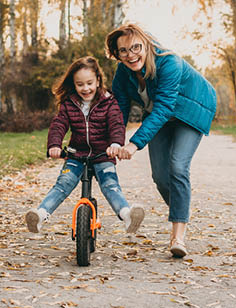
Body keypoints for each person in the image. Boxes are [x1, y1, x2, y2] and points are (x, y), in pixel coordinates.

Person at [105, 23, 217, 258]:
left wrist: (134, 143)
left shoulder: (169, 62)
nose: (130, 55)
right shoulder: (123, 72)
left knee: (178, 167)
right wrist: (115, 141)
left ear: (146, 44)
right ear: (117, 54)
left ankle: (178, 235)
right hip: (159, 115)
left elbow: (165, 107)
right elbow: (119, 108)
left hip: (190, 111)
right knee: (160, 177)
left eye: (136, 47)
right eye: (123, 51)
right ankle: (181, 210)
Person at [25, 56, 144, 234]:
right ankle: (40, 216)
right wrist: (54, 145)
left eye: (89, 83)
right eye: (80, 84)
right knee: (63, 184)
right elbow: (59, 124)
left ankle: (127, 216)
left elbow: (117, 124)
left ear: (98, 80)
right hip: (76, 154)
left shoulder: (109, 102)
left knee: (110, 185)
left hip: (103, 154)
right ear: (74, 84)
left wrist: (115, 144)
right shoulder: (70, 103)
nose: (85, 88)